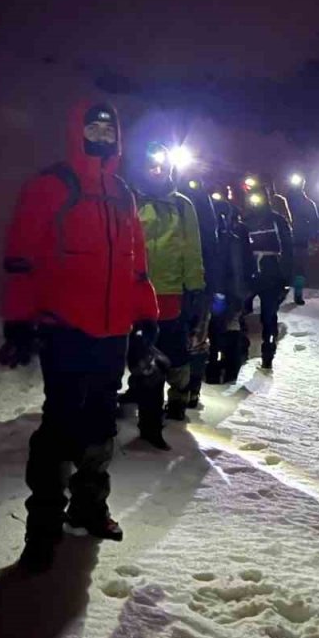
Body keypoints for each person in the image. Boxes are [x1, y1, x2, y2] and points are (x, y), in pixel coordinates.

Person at [0, 100, 159, 572]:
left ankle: (88, 506)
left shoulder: (123, 193)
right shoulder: (50, 186)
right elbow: (22, 260)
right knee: (59, 427)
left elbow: (136, 265)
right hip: (66, 329)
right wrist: (19, 321)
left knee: (101, 423)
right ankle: (42, 528)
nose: (101, 138)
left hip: (113, 332)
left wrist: (145, 319)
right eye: (93, 129)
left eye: (109, 131)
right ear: (77, 131)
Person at [125, 141, 207, 449]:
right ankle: (149, 422)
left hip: (172, 293)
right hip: (138, 294)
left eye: (161, 165)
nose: (156, 170)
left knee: (175, 355)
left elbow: (192, 249)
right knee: (146, 357)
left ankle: (178, 398)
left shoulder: (182, 205)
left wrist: (195, 288)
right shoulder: (132, 201)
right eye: (151, 165)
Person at [242, 187, 294, 370]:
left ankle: (268, 353)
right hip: (251, 274)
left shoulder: (277, 221)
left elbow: (288, 250)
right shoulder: (245, 222)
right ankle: (242, 350)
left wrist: (286, 278)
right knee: (241, 314)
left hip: (271, 274)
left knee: (269, 316)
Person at [205, 182, 252, 385]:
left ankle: (215, 370)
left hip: (220, 287)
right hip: (234, 288)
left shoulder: (210, 224)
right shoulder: (239, 228)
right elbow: (247, 261)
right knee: (229, 325)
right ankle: (229, 368)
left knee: (216, 327)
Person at [180, 179, 220, 410]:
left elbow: (209, 248)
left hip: (192, 281)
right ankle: (189, 390)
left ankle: (188, 390)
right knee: (194, 339)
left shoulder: (184, 202)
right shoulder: (201, 204)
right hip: (194, 281)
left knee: (191, 338)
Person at [283, 176, 319, 305]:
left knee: (295, 269)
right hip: (292, 241)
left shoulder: (304, 203)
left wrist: (313, 239)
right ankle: (292, 293)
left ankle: (293, 293)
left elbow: (314, 223)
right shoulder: (305, 203)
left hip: (295, 241)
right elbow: (314, 223)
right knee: (297, 269)